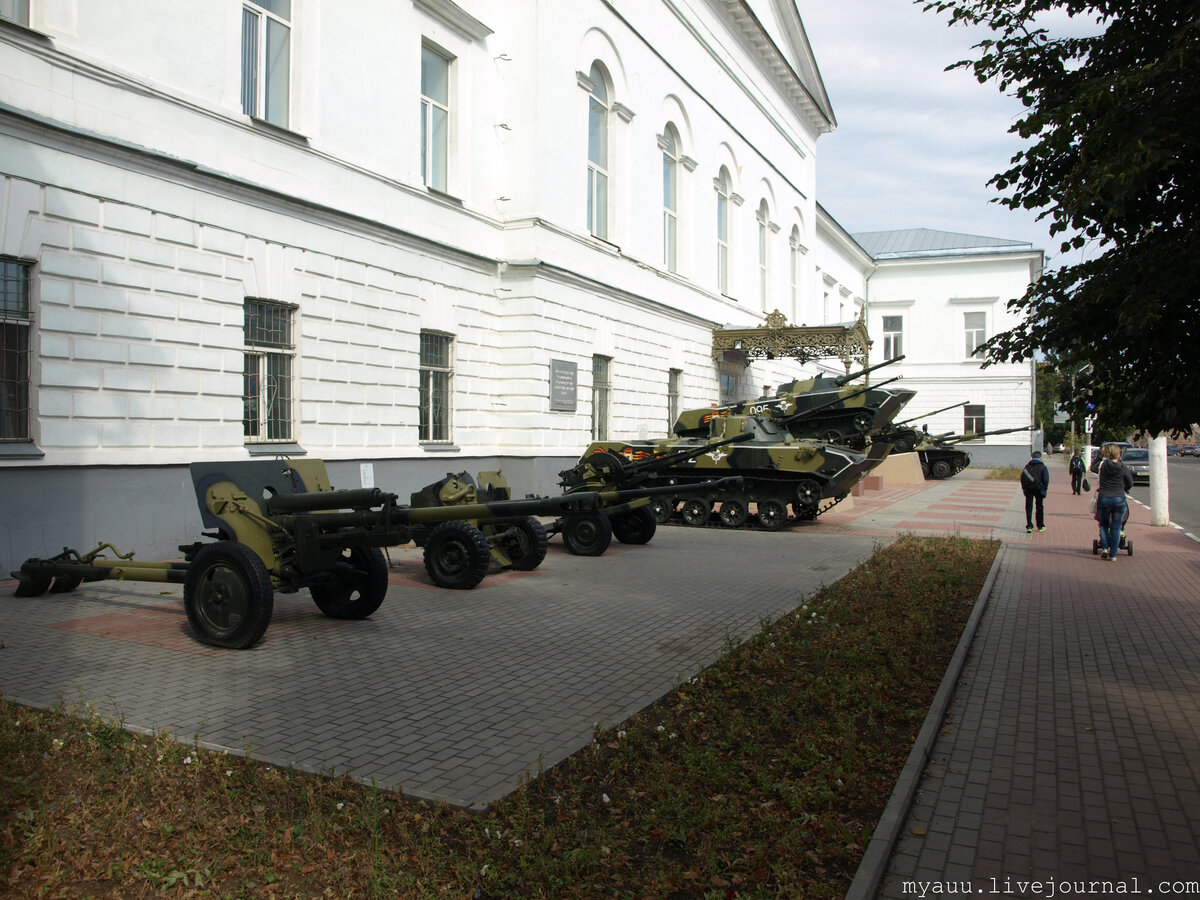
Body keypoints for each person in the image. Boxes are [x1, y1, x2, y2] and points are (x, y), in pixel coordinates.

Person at [1092, 442, 1134, 560]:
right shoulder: (1123, 466)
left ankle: (1104, 548)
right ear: (1118, 453)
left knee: (1104, 525)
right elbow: (1130, 483)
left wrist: (1100, 457)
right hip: (1119, 499)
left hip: (1104, 498)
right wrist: (1124, 488)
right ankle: (1113, 555)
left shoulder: (1102, 465)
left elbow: (1093, 468)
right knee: (1116, 527)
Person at [1020, 450, 1050, 533]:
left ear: (1032, 458)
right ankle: (1040, 526)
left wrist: (1024, 489)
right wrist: (1044, 490)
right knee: (1039, 506)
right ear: (1040, 458)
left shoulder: (1027, 466)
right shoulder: (1043, 467)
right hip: (1038, 489)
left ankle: (1029, 526)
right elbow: (1046, 479)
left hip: (1029, 489)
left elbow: (1022, 478)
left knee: (1029, 507)